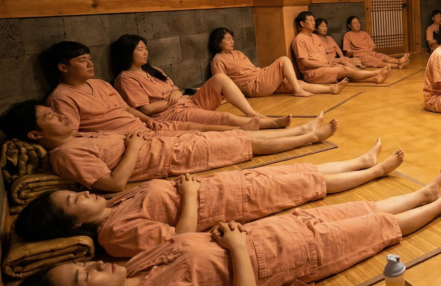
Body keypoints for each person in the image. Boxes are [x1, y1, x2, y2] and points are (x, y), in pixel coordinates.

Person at [0, 172, 441, 286]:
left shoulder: (134, 267)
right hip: (288, 259)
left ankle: (421, 194)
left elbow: (188, 240)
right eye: (85, 277)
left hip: (268, 233)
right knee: (375, 230)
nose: (96, 265)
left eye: (84, 264)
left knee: (357, 210)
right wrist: (236, 249)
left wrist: (227, 237)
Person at [13, 141, 414, 257]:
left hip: (221, 186)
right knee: (305, 186)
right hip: (227, 204)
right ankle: (373, 173)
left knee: (298, 172)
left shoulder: (112, 205)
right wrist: (188, 193)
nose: (84, 193)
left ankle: (359, 162)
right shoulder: (114, 233)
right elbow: (181, 238)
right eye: (74, 201)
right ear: (73, 223)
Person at [0, 101, 338, 192]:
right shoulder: (66, 154)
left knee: (236, 137)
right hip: (167, 157)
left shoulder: (76, 138)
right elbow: (113, 184)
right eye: (50, 116)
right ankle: (308, 137)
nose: (60, 115)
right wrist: (134, 147)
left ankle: (303, 131)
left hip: (166, 142)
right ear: (35, 134)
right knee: (243, 144)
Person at [42, 42, 227, 136]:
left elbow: (127, 109)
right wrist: (165, 106)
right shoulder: (62, 98)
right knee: (197, 136)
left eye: (90, 59)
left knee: (199, 127)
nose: (90, 64)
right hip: (134, 133)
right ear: (63, 67)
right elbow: (72, 135)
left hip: (148, 123)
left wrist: (147, 120)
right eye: (82, 61)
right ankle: (241, 135)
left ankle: (244, 128)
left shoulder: (101, 84)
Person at [111, 35, 288, 130]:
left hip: (188, 102)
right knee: (225, 118)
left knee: (220, 79)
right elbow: (145, 110)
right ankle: (271, 124)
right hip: (172, 114)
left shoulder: (154, 70)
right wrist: (173, 101)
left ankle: (251, 113)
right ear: (127, 53)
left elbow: (175, 89)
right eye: (140, 49)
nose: (145, 53)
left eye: (145, 48)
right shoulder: (126, 78)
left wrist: (177, 93)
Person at [209, 28, 344, 98]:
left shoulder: (238, 53)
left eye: (232, 39)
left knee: (295, 83)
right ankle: (298, 91)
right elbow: (220, 83)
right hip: (253, 86)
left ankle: (331, 89)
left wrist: (266, 71)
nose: (232, 41)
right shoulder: (218, 60)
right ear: (219, 42)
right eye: (228, 39)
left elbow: (252, 68)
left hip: (260, 77)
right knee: (283, 60)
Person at [291, 12, 390, 84]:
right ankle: (376, 72)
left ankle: (374, 79)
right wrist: (326, 65)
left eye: (314, 20)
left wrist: (331, 62)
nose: (313, 23)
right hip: (313, 72)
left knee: (347, 68)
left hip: (326, 66)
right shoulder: (299, 40)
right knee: (345, 70)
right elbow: (305, 62)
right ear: (302, 23)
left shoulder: (315, 37)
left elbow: (324, 54)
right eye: (310, 20)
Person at [342, 16, 410, 68]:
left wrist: (371, 48)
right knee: (377, 61)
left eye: (358, 22)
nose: (357, 24)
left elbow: (372, 45)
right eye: (354, 23)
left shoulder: (364, 34)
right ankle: (397, 66)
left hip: (371, 52)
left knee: (384, 56)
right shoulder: (347, 35)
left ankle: (399, 61)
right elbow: (347, 53)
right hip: (361, 56)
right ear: (349, 26)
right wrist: (350, 52)